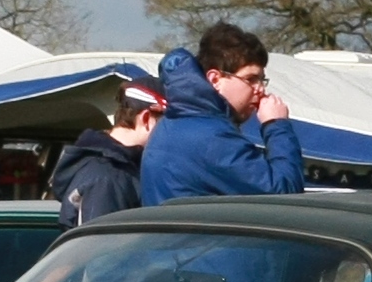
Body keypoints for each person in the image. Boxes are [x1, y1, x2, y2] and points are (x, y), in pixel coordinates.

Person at [139, 22, 303, 205]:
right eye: (251, 79)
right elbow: (285, 195)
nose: (261, 90)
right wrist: (277, 125)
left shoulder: (172, 124)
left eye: (262, 80)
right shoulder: (211, 138)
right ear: (215, 79)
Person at [49, 76, 165, 228]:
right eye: (165, 123)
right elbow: (98, 247)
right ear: (146, 118)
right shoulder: (107, 177)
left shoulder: (115, 169)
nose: (170, 133)